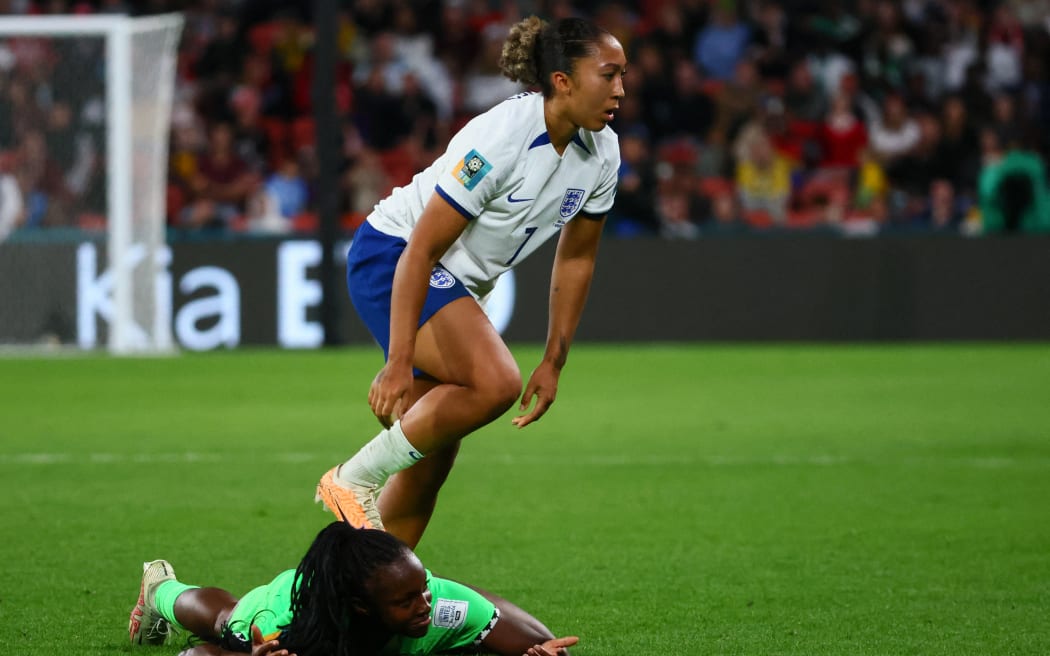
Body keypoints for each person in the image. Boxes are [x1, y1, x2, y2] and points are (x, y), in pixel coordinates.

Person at [315, 15, 626, 547]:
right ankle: (351, 478)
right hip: (394, 256)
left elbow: (575, 260)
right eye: (608, 74)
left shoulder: (602, 155)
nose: (620, 89)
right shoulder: (502, 137)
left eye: (623, 76)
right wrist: (397, 360)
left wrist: (554, 360)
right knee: (496, 382)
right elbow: (421, 248)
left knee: (428, 465)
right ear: (563, 81)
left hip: (452, 282)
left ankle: (369, 600)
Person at [128, 522, 576, 656]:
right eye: (405, 600)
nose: (426, 605)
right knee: (224, 618)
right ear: (361, 608)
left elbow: (545, 644)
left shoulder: (436, 605)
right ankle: (161, 589)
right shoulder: (286, 628)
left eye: (423, 589)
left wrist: (540, 655)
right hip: (277, 618)